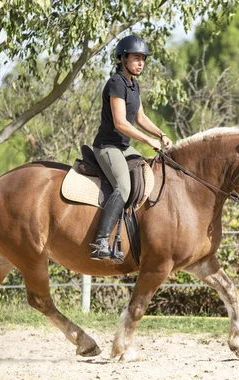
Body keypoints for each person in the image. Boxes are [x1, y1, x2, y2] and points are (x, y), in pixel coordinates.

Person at [90, 35, 172, 261]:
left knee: (146, 174)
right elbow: (120, 123)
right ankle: (100, 241)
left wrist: (161, 134)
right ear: (123, 58)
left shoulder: (134, 85)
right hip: (107, 147)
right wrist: (148, 141)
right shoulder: (116, 83)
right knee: (123, 188)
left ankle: (124, 236)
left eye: (143, 59)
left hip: (124, 147)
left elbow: (141, 117)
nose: (141, 63)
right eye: (136, 58)